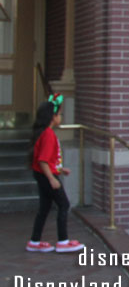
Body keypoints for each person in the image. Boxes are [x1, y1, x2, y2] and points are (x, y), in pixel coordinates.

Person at [25, 95, 84, 253]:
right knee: (63, 204)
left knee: (44, 208)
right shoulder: (48, 134)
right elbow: (43, 160)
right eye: (59, 115)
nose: (61, 118)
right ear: (53, 117)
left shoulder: (43, 133)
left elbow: (46, 160)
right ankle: (63, 241)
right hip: (45, 175)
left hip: (42, 174)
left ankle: (34, 241)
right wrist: (52, 178)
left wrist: (59, 169)